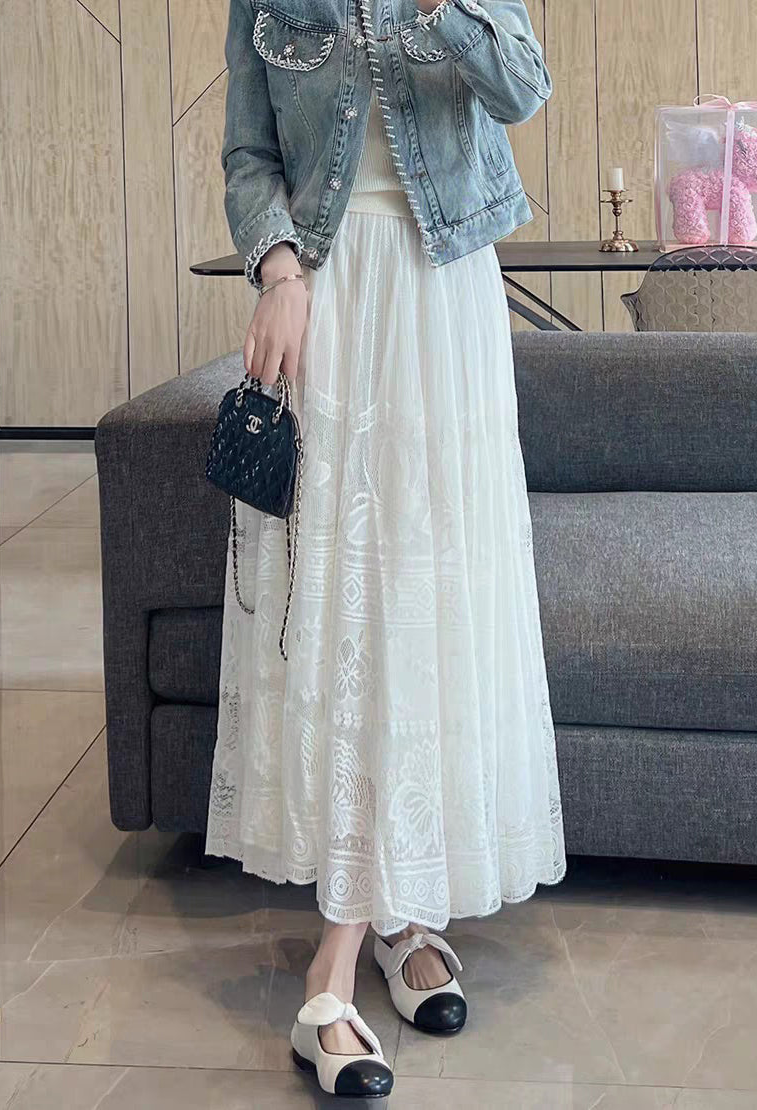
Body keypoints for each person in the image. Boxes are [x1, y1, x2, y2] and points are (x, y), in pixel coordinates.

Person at [206, 0, 566, 1097]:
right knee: (345, 606)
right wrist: (277, 272)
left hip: (444, 296)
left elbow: (521, 88)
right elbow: (248, 151)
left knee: (429, 599)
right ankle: (358, 943)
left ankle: (384, 922)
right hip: (328, 299)